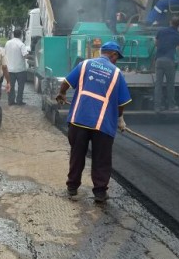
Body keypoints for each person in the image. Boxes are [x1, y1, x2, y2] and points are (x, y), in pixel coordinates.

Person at [55, 41, 132, 203]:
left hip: (78, 119)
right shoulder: (117, 73)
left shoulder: (84, 65)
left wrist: (62, 94)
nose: (117, 61)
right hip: (102, 124)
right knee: (101, 158)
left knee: (77, 155)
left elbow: (66, 83)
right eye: (117, 57)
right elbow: (121, 103)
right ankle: (100, 193)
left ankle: (72, 187)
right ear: (114, 55)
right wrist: (120, 119)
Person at [154, 16, 179, 111]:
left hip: (159, 60)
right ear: (178, 25)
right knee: (170, 85)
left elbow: (156, 44)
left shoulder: (161, 31)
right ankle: (171, 106)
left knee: (158, 85)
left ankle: (157, 107)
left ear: (170, 22)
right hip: (169, 61)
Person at [4, 29, 29, 106]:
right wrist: (28, 54)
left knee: (10, 85)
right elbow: (25, 55)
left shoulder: (7, 43)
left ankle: (11, 101)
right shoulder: (21, 44)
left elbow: (5, 53)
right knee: (20, 86)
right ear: (21, 35)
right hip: (20, 69)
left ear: (13, 34)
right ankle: (19, 101)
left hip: (9, 69)